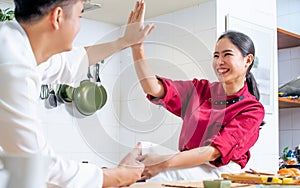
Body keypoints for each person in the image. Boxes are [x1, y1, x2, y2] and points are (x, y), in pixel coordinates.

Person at [0, 0, 155, 187]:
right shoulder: (12, 65)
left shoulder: (16, 44)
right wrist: (117, 176)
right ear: (58, 17)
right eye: (80, 15)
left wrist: (125, 41)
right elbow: (38, 166)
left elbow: (72, 62)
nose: (79, 25)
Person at [130, 29, 265, 181]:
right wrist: (137, 48)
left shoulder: (252, 109)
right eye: (216, 56)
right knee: (141, 150)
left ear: (248, 60)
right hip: (189, 161)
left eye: (227, 54)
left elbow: (213, 152)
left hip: (219, 170)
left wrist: (164, 163)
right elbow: (153, 88)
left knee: (158, 173)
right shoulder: (200, 89)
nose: (219, 62)